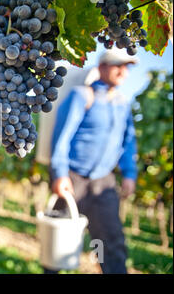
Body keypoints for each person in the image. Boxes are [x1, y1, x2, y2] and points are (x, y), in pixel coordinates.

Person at [49, 49, 139, 274]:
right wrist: (59, 173)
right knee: (59, 237)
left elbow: (128, 143)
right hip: (73, 179)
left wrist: (129, 174)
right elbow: (62, 135)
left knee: (111, 241)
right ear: (101, 67)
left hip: (104, 182)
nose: (123, 71)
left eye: (126, 67)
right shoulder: (82, 96)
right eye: (117, 65)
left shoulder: (122, 104)